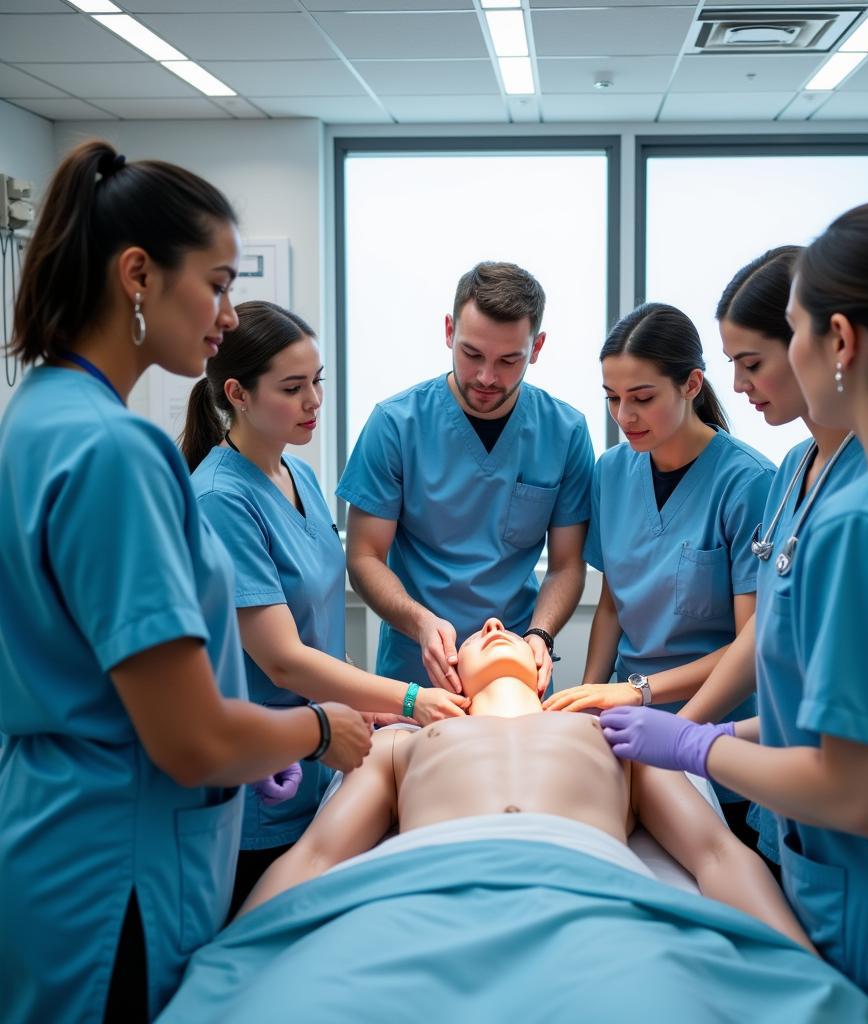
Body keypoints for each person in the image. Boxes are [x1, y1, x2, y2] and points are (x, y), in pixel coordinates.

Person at [598, 198, 868, 1020]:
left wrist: (692, 743)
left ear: (841, 342)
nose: (752, 377)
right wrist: (727, 734)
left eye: (787, 336)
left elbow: (861, 792)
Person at [0, 141, 371, 1024]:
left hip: (52, 836)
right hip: (117, 871)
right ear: (138, 275)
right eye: (215, 283)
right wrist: (319, 732)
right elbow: (192, 740)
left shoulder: (37, 416)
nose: (225, 314)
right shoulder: (119, 453)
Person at [238, 617, 812, 956]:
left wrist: (800, 964)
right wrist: (229, 953)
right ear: (448, 675)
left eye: (507, 629)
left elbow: (716, 855)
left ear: (544, 671)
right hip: (430, 900)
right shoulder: (396, 743)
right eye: (478, 632)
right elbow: (315, 857)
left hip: (590, 906)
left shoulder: (618, 733)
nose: (492, 626)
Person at [180, 301, 469, 914]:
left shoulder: (299, 477)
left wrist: (371, 708)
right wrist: (407, 698)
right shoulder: (220, 501)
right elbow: (283, 661)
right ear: (237, 393)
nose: (314, 401)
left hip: (320, 758)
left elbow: (318, 633)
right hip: (259, 777)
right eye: (292, 387)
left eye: (317, 382)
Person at [544, 302, 774, 842]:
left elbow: (752, 644)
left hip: (720, 734)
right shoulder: (612, 472)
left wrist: (659, 711)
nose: (624, 416)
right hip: (633, 728)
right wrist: (590, 696)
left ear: (692, 384)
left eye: (642, 398)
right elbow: (613, 604)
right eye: (612, 399)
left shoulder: (748, 483)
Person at [674, 247, 865, 869]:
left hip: (843, 807)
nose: (737, 386)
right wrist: (691, 734)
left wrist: (691, 740)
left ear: (824, 341)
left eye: (751, 362)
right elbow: (766, 628)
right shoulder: (790, 471)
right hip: (784, 805)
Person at [338, 262, 594, 696]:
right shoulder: (395, 425)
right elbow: (364, 557)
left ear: (537, 347)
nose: (486, 377)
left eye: (509, 360)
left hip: (516, 667)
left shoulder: (564, 432)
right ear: (448, 332)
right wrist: (420, 622)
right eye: (472, 354)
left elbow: (567, 565)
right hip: (416, 669)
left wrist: (541, 635)